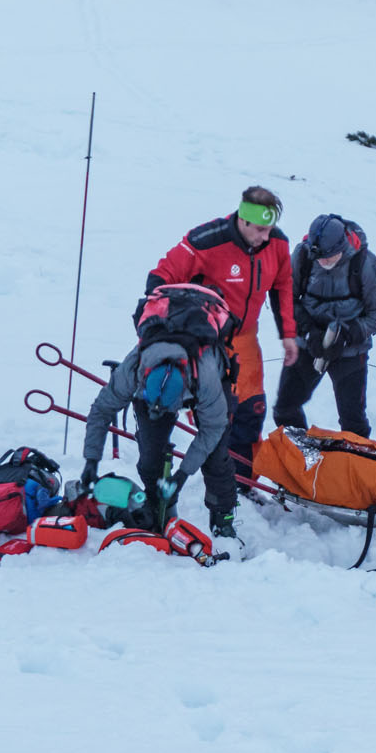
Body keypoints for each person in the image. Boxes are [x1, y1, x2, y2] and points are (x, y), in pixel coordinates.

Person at [147, 186, 297, 486]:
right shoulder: (207, 240)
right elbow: (159, 279)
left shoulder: (277, 243)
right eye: (260, 230)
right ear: (243, 220)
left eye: (269, 230)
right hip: (210, 343)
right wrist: (169, 328)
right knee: (218, 414)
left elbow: (282, 285)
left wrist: (288, 334)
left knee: (252, 411)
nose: (265, 237)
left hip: (246, 338)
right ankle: (217, 483)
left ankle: (243, 483)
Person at [80, 333, 231, 535]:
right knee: (150, 459)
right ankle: (158, 509)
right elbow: (102, 409)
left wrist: (183, 474)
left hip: (207, 385)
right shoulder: (134, 368)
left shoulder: (206, 375)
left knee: (216, 455)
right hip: (153, 386)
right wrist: (91, 459)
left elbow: (213, 428)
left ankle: (223, 519)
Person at [272, 214, 376, 437]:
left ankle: (353, 457)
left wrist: (349, 334)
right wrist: (309, 331)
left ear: (341, 246)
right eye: (319, 258)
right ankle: (298, 452)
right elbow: (285, 299)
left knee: (352, 419)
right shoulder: (303, 257)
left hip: (350, 349)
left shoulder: (366, 265)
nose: (323, 262)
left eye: (328, 257)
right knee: (285, 407)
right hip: (308, 343)